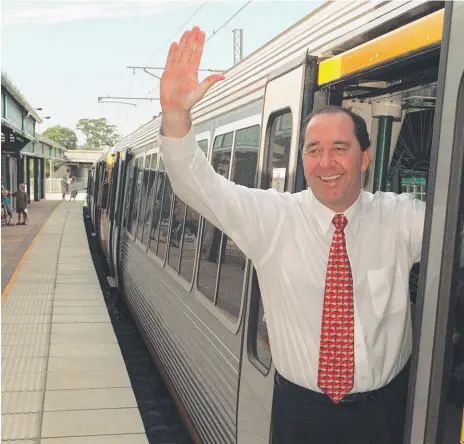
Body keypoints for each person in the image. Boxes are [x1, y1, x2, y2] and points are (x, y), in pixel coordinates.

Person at [158, 27, 425, 443]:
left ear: (365, 157)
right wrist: (176, 119)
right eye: (313, 150)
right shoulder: (273, 218)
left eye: (340, 147)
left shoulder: (401, 218)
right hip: (301, 414)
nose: (325, 162)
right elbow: (199, 186)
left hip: (385, 414)